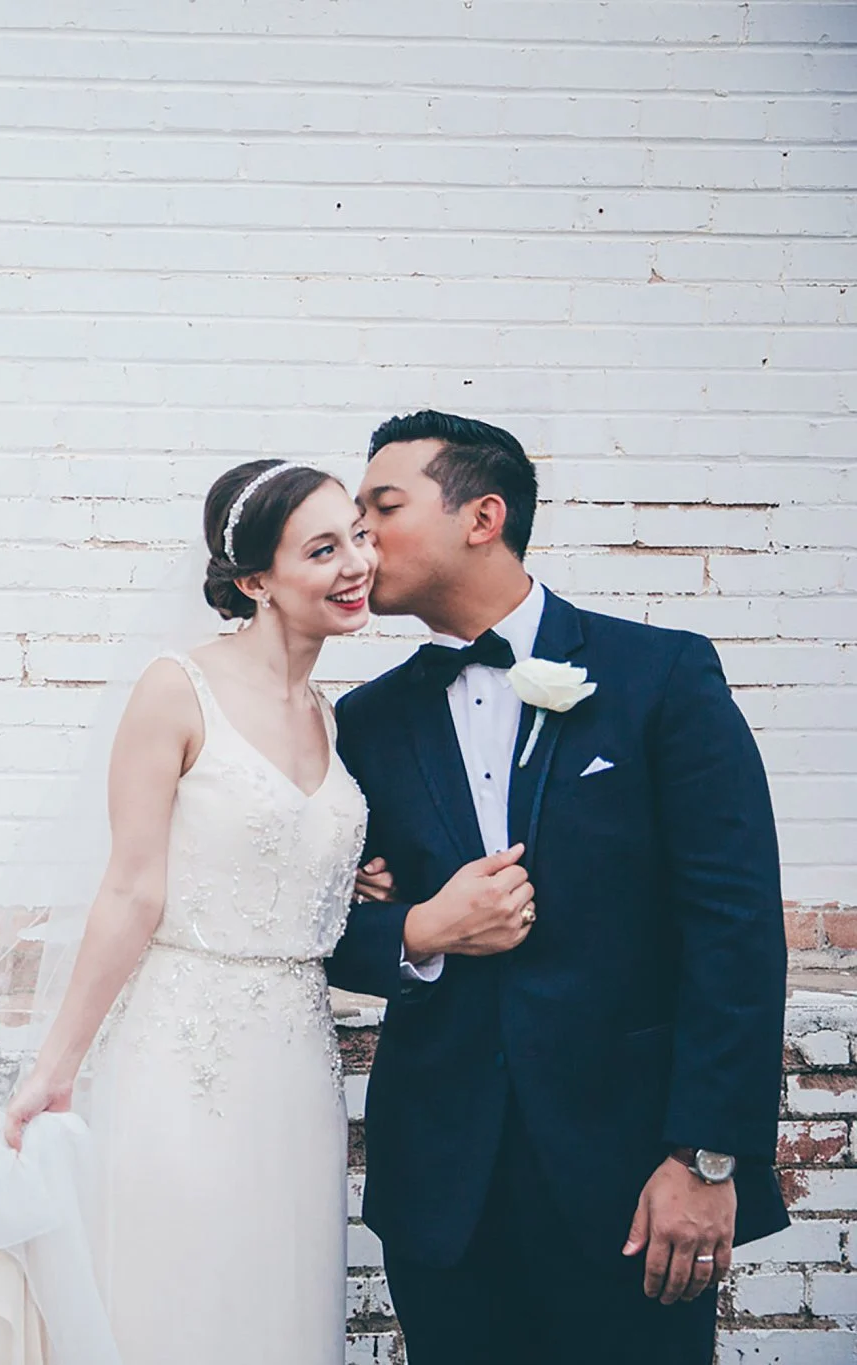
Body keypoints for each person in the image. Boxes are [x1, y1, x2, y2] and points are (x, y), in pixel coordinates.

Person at [326, 410, 789, 1365]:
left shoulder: (661, 675)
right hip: (443, 1191)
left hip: (634, 1182)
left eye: (383, 509)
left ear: (481, 516)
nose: (361, 541)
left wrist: (705, 1157)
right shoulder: (366, 723)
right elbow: (323, 930)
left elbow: (735, 927)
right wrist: (419, 927)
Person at [0, 457, 378, 1363]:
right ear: (255, 581)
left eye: (359, 537)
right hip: (185, 1050)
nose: (356, 564)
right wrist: (56, 1065)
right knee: (187, 1297)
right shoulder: (179, 688)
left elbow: (282, 856)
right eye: (323, 549)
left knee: (279, 1303)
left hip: (298, 1063)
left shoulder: (328, 714)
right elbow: (133, 889)